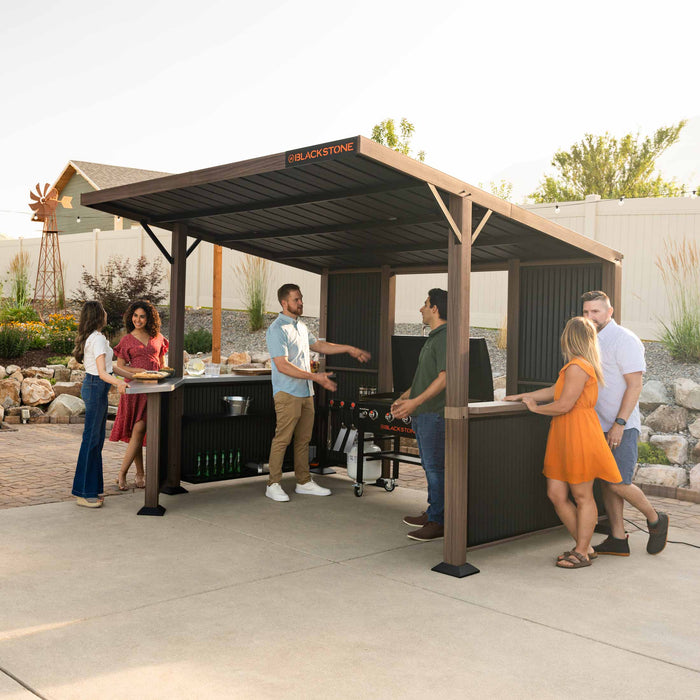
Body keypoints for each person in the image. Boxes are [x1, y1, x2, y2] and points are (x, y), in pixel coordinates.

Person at [505, 316, 622, 569]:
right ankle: (585, 547)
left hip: (579, 433)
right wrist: (523, 395)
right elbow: (554, 391)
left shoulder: (578, 366)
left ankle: (582, 551)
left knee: (582, 495)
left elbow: (564, 405)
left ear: (569, 337)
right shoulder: (574, 366)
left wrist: (535, 409)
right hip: (564, 433)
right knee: (556, 494)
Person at [264, 283, 371, 502]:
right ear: (284, 303)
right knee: (282, 439)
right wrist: (316, 377)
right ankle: (273, 484)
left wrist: (348, 349)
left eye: (301, 298)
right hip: (287, 393)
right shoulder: (277, 329)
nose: (301, 303)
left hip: (305, 393)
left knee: (304, 440)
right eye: (296, 299)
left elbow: (320, 346)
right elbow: (282, 365)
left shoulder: (301, 327)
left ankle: (303, 482)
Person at [581, 290, 669, 555]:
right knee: (606, 482)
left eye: (595, 311)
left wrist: (619, 423)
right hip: (597, 425)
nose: (590, 317)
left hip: (621, 426)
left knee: (618, 482)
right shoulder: (589, 340)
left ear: (609, 312)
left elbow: (635, 385)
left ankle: (655, 518)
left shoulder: (625, 340)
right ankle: (618, 538)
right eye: (586, 312)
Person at [392, 288, 448, 542]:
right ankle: (433, 512)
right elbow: (423, 379)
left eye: (425, 304)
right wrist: (405, 397)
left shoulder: (445, 337)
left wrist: (415, 402)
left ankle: (439, 521)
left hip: (434, 415)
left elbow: (444, 378)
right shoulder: (433, 338)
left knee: (435, 468)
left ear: (435, 308)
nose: (421, 309)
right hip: (424, 414)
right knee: (429, 466)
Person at [71, 300, 128, 508]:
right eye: (103, 310)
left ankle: (90, 489)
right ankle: (84, 493)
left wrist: (133, 375)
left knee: (95, 441)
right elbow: (103, 373)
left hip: (96, 387)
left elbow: (109, 367)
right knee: (92, 441)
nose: (106, 313)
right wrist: (119, 383)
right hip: (96, 387)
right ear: (98, 315)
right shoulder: (97, 339)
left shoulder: (96, 338)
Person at [110, 300, 169, 490]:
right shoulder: (127, 340)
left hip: (152, 390)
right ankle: (129, 473)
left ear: (149, 318)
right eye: (135, 316)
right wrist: (138, 371)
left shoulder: (158, 337)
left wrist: (164, 376)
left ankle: (133, 473)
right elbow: (120, 366)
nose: (138, 319)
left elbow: (162, 365)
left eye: (142, 316)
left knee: (139, 430)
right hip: (134, 390)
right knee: (136, 431)